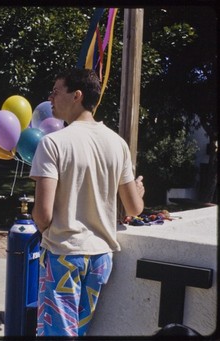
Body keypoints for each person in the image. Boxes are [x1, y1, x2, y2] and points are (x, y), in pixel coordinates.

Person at [29, 68, 145, 337]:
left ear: (77, 96)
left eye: (56, 92)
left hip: (64, 253)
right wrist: (138, 190)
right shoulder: (117, 144)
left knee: (57, 334)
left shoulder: (52, 144)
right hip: (101, 257)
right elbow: (134, 208)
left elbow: (43, 214)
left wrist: (45, 228)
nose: (50, 99)